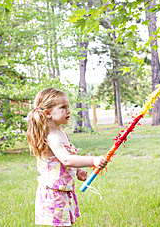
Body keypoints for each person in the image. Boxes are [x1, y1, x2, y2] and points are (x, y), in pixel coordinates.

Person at [27, 88, 108, 226]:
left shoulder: (62, 134)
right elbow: (67, 160)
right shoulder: (51, 137)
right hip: (53, 194)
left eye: (68, 107)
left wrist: (77, 171)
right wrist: (93, 160)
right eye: (63, 107)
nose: (68, 111)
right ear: (47, 113)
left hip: (64, 191)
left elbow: (66, 159)